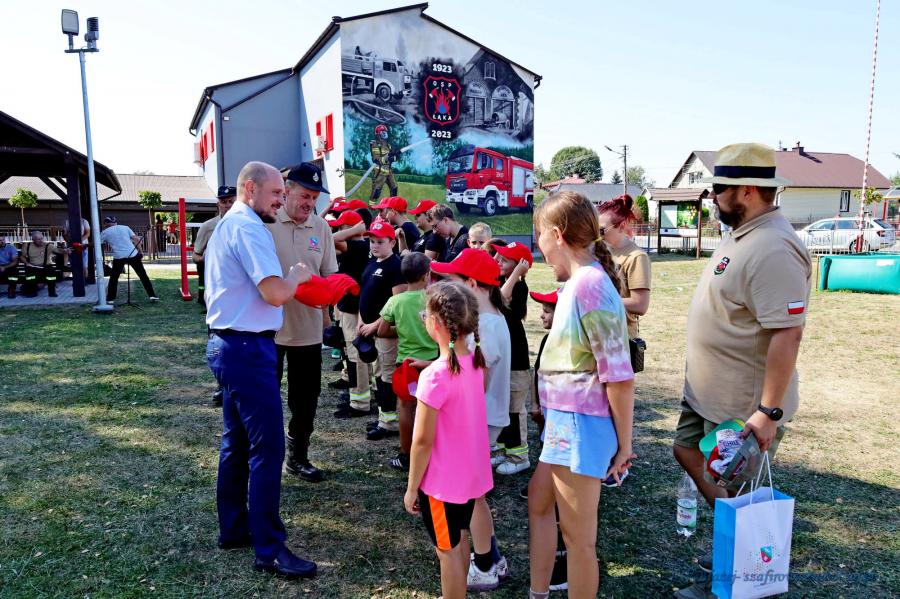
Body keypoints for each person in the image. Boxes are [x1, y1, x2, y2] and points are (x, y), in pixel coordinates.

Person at [672, 143, 810, 599]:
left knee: (739, 496)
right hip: (709, 395)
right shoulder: (743, 233)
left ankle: (737, 574)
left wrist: (767, 412)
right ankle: (734, 542)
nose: (712, 196)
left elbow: (787, 334)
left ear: (748, 190)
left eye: (719, 188)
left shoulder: (775, 246)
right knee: (687, 452)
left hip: (742, 408)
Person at [204, 160, 317, 580]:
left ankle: (234, 529)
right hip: (248, 349)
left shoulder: (229, 225)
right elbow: (274, 293)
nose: (280, 201)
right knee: (267, 449)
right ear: (250, 189)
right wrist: (297, 275)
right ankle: (269, 549)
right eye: (275, 194)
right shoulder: (248, 228)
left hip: (230, 345)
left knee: (235, 442)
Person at [528, 190, 635, 599]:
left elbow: (619, 376)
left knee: (578, 540)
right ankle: (539, 593)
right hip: (566, 422)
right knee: (539, 503)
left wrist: (625, 446)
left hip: (580, 425)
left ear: (556, 234)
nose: (539, 249)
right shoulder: (579, 283)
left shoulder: (590, 285)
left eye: (539, 236)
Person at [403, 280, 493, 599]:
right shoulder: (476, 363)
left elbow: (421, 442)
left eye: (424, 316)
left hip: (442, 485)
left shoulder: (434, 377)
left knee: (448, 552)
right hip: (469, 477)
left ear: (437, 323)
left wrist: (412, 487)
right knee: (459, 539)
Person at [431, 248, 510, 590]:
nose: (447, 285)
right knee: (476, 494)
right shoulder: (492, 319)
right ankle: (491, 557)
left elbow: (478, 383)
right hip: (484, 418)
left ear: (473, 285)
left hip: (479, 421)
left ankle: (485, 563)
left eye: (453, 280)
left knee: (473, 496)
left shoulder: (486, 326)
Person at [268, 162, 338, 484]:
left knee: (305, 399)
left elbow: (329, 276)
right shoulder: (266, 223)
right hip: (268, 331)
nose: (310, 203)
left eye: (314, 197)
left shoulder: (321, 228)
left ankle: (298, 457)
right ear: (287, 191)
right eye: (305, 195)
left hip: (307, 332)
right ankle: (265, 455)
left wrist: (328, 313)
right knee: (266, 398)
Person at [378, 252, 440, 470]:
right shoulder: (434, 299)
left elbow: (382, 330)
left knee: (405, 406)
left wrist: (403, 329)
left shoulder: (395, 301)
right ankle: (435, 453)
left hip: (406, 364)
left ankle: (406, 455)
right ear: (426, 276)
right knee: (433, 408)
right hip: (433, 361)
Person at [357, 220, 406, 440]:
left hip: (385, 333)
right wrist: (360, 321)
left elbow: (397, 305)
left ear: (392, 242)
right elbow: (365, 294)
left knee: (387, 376)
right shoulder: (372, 261)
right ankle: (383, 417)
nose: (374, 245)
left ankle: (390, 423)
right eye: (372, 241)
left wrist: (374, 325)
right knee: (378, 375)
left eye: (380, 242)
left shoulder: (395, 266)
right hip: (371, 331)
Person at [493, 241, 533, 475]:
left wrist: (518, 272)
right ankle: (501, 449)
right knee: (501, 404)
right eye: (498, 256)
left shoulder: (518, 286)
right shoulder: (499, 280)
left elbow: (500, 299)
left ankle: (519, 457)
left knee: (515, 408)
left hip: (515, 356)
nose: (498, 261)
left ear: (519, 265)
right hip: (501, 354)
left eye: (504, 259)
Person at [330, 210, 375, 419]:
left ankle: (360, 402)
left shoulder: (358, 245)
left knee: (355, 355)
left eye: (343, 226)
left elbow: (330, 239)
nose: (339, 229)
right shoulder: (358, 246)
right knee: (354, 354)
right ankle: (358, 397)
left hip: (353, 308)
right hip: (353, 306)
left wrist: (356, 230)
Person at [597, 195, 651, 341]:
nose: (598, 236)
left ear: (622, 226)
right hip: (599, 336)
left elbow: (640, 305)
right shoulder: (600, 251)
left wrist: (597, 302)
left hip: (621, 340)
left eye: (602, 230)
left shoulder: (636, 257)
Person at [193, 186, 237, 309]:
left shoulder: (247, 225)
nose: (227, 205)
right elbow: (195, 256)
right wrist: (205, 258)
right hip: (217, 284)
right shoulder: (208, 227)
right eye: (223, 202)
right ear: (218, 204)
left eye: (231, 201)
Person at [100, 217, 159, 302]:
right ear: (115, 222)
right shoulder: (125, 227)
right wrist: (141, 252)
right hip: (133, 254)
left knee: (114, 278)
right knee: (143, 275)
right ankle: (152, 295)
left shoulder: (105, 232)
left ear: (105, 224)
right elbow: (136, 239)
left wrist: (85, 245)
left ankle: (110, 299)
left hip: (119, 256)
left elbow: (97, 243)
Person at [21, 231, 66, 297]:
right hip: (32, 267)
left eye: (42, 238)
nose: (41, 241)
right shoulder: (27, 245)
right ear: (33, 239)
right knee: (30, 276)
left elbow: (58, 250)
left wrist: (66, 251)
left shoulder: (48, 245)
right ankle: (32, 292)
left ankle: (52, 292)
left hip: (45, 267)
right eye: (38, 239)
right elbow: (22, 256)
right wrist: (26, 263)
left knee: (51, 273)